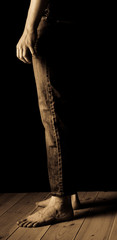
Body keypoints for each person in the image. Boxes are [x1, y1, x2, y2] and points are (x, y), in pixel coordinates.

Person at [16, 0, 82, 227]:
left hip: (54, 23)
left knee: (53, 116)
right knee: (65, 114)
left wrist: (29, 28)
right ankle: (69, 195)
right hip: (69, 21)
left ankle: (60, 202)